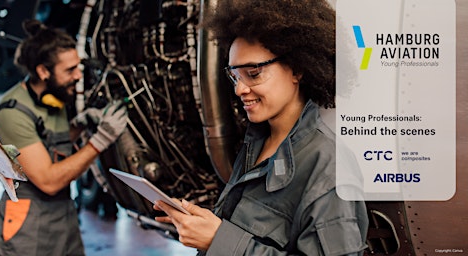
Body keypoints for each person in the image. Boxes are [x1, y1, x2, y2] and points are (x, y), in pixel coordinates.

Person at [154, 0, 369, 255]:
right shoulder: (256, 143)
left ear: (297, 69)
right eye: (235, 76)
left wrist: (219, 240)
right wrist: (207, 225)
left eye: (253, 73)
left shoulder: (329, 168)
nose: (239, 89)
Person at [0, 19, 128, 255]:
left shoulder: (56, 95)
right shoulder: (13, 113)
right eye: (70, 70)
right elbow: (48, 181)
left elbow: (47, 146)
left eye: (78, 66)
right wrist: (100, 141)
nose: (78, 75)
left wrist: (78, 127)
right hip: (28, 223)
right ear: (43, 71)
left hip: (64, 216)